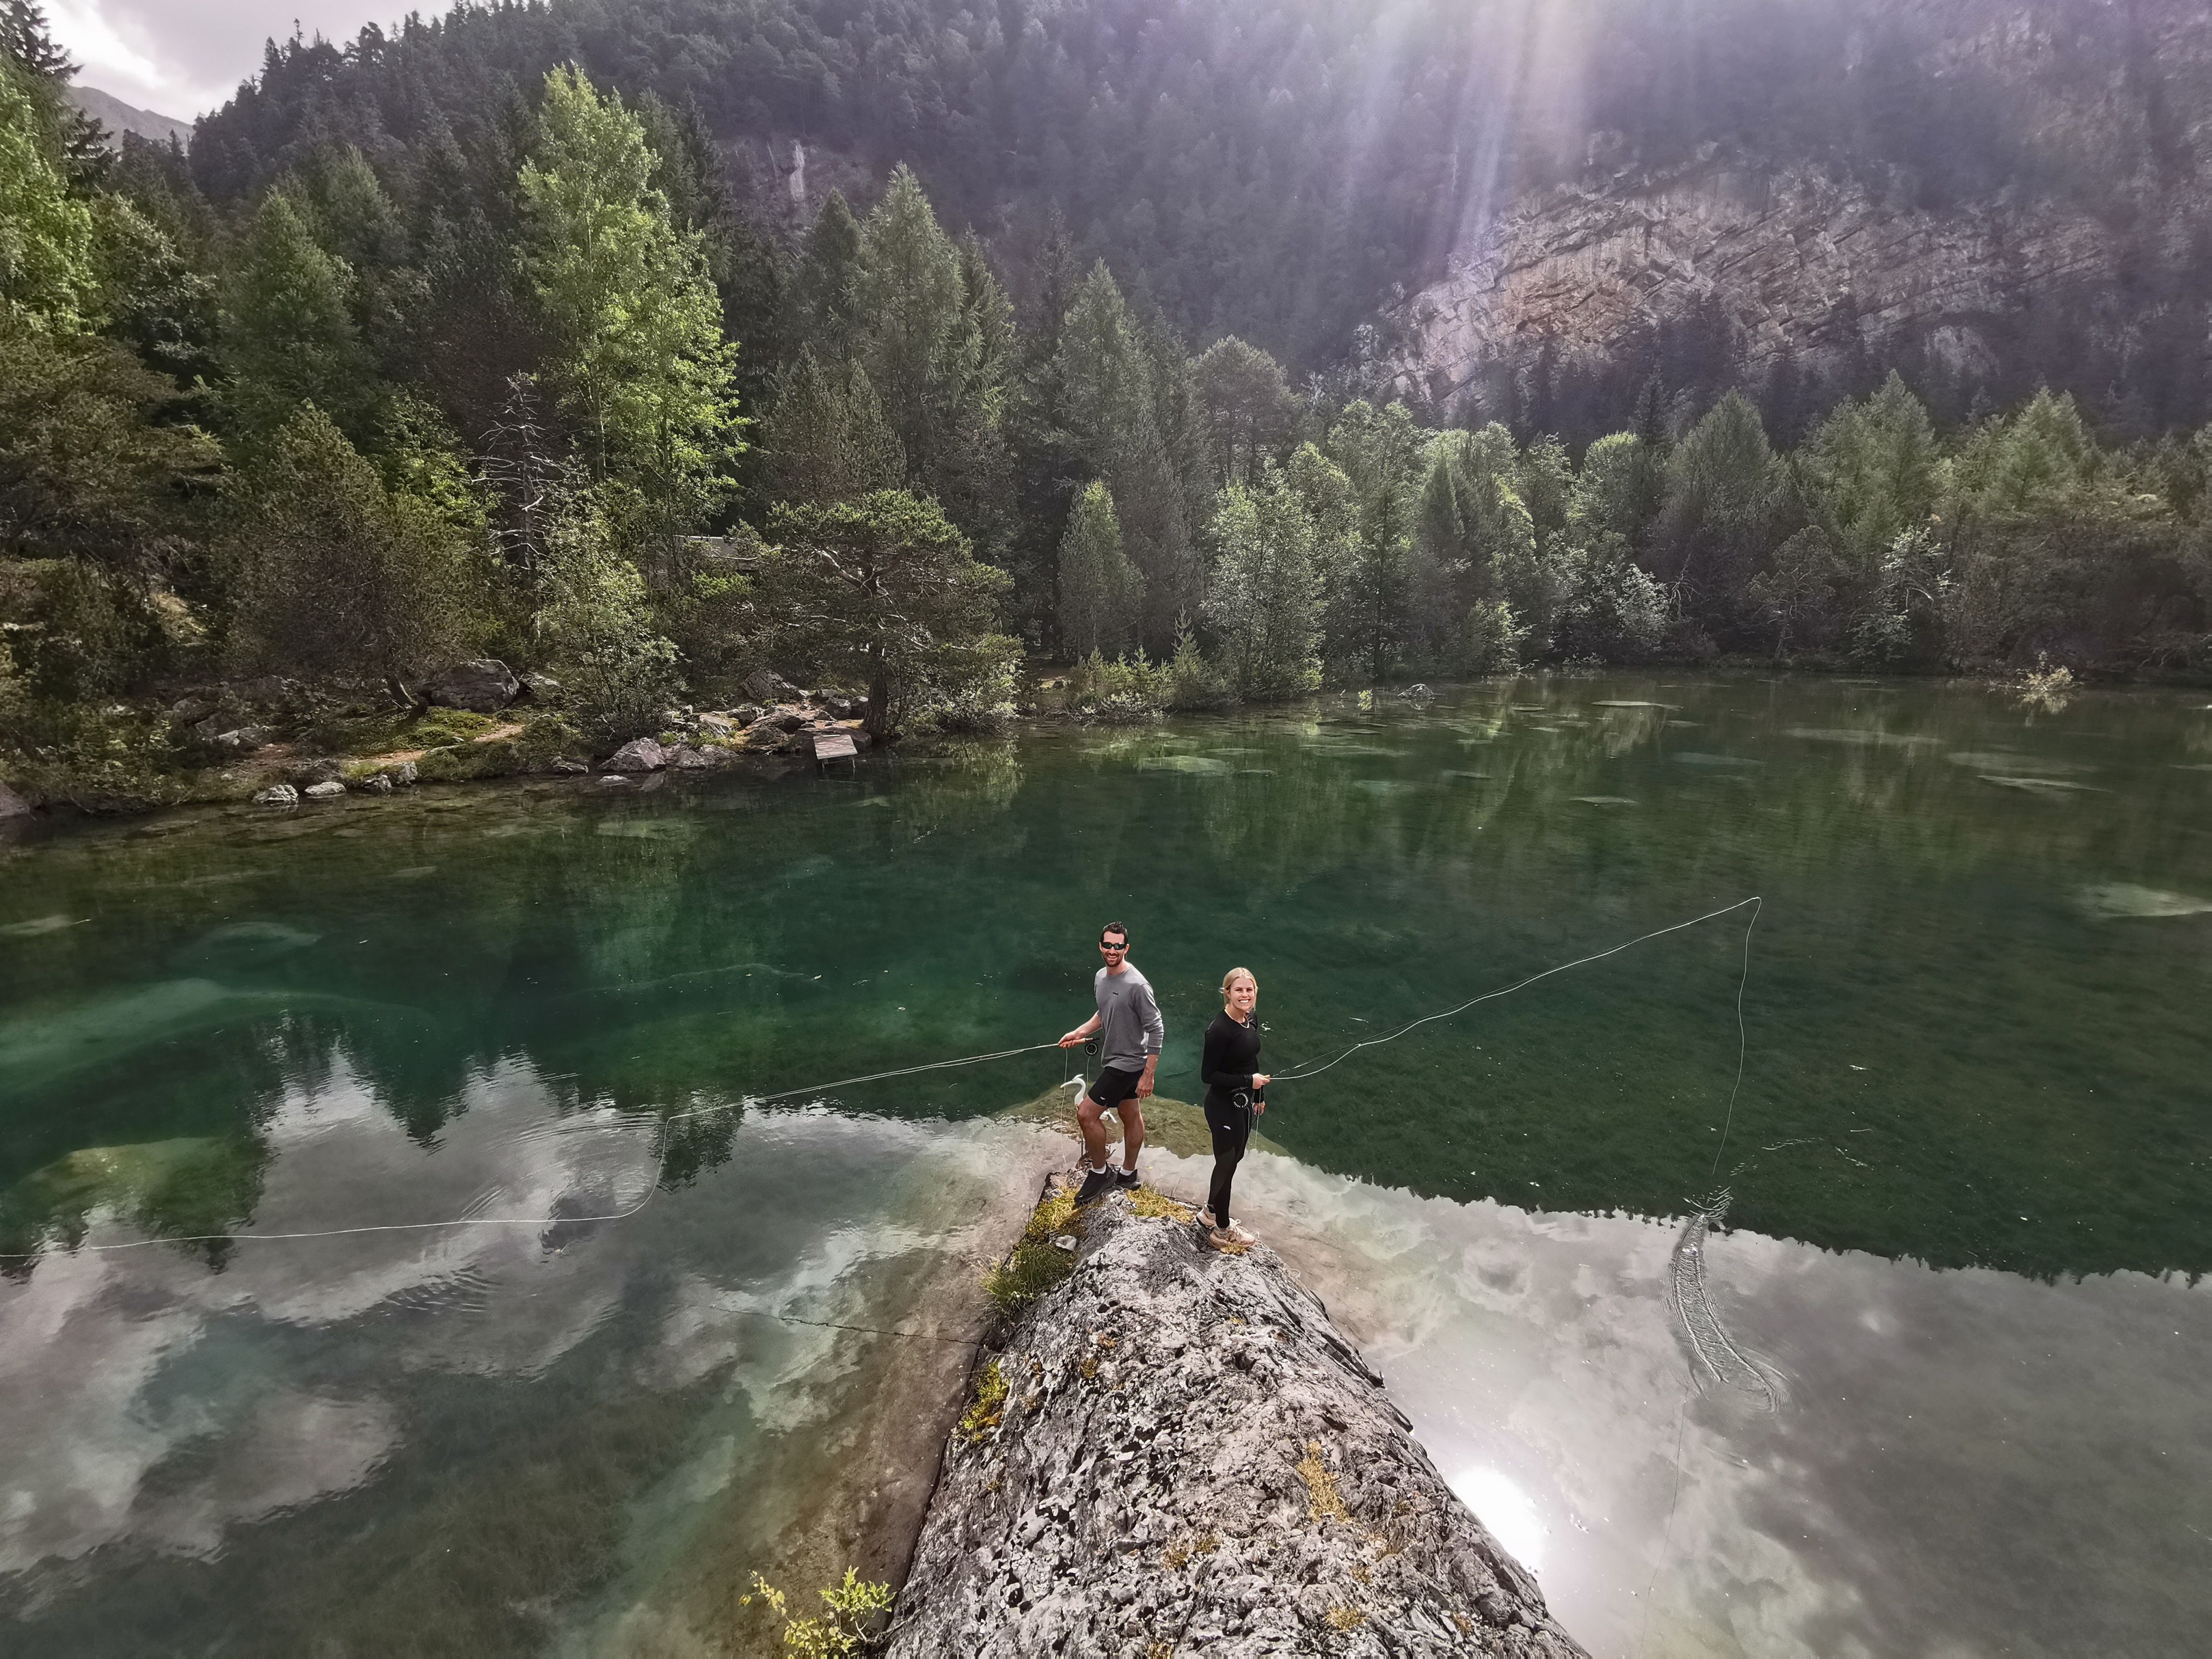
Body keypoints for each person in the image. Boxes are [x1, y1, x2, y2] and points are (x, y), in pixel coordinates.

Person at [1057, 921, 1163, 1204]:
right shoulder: (1100, 978)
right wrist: (1079, 1033)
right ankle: (1128, 1175)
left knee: (1086, 1114)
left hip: (1128, 1064)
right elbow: (1103, 1013)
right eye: (1108, 945)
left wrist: (1148, 1076)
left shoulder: (1138, 985)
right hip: (1115, 1059)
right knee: (1130, 1115)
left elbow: (1157, 1029)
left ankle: (1100, 1172)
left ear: (1126, 948)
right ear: (1101, 946)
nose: (1112, 950)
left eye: (1119, 946)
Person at [1197, 967, 1269, 1245]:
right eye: (1238, 990)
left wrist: (1259, 1095)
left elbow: (1251, 1059)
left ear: (1255, 993)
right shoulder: (1218, 1031)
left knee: (1234, 1160)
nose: (1244, 995)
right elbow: (1209, 1076)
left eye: (1249, 990)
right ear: (1227, 993)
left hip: (1243, 1103)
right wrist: (1248, 1081)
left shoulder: (1250, 1019)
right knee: (1226, 1164)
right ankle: (1222, 1231)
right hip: (1222, 1106)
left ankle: (1211, 1212)